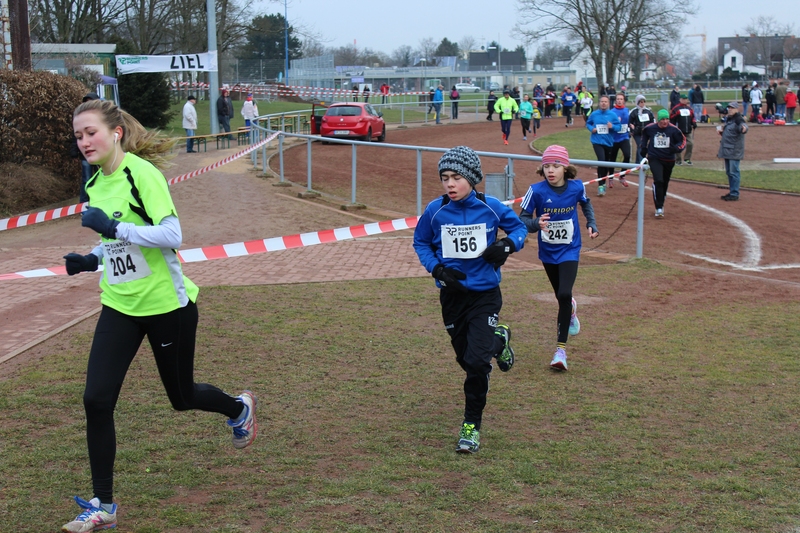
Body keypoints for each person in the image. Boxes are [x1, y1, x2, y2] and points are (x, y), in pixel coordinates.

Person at [62, 99, 257, 533]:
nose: (84, 142)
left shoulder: (142, 174)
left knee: (182, 397)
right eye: (78, 136)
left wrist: (112, 228)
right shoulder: (94, 180)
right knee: (96, 400)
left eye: (90, 132)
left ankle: (238, 408)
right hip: (119, 305)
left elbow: (171, 234)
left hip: (168, 307)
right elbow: (116, 242)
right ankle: (104, 506)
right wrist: (92, 258)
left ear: (115, 132)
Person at [412, 146, 527, 454]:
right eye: (445, 178)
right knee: (466, 360)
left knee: (477, 364)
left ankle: (471, 426)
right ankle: (499, 341)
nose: (450, 184)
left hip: (485, 296)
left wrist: (506, 246)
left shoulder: (491, 207)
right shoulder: (435, 211)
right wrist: (437, 269)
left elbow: (519, 229)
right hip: (452, 298)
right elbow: (420, 242)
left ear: (472, 178)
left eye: (457, 177)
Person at [519, 145, 598, 371]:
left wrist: (591, 223)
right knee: (561, 296)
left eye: (555, 166)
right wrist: (536, 223)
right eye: (546, 166)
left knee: (564, 293)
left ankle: (560, 352)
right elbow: (522, 219)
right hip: (548, 251)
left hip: (570, 249)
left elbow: (586, 203)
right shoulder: (536, 191)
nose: (550, 171)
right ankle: (570, 308)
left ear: (565, 168)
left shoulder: (576, 187)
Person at [639, 109, 686, 218]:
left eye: (667, 119)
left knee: (665, 182)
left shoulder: (674, 130)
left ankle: (661, 197)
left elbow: (682, 141)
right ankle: (659, 207)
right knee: (659, 180)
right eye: (662, 119)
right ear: (658, 120)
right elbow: (644, 136)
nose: (665, 121)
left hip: (669, 159)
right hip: (655, 158)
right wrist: (643, 147)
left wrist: (677, 148)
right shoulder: (650, 128)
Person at [585, 95, 620, 196]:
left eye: (605, 102)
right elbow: (588, 123)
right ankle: (600, 186)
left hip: (608, 142)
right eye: (602, 102)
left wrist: (612, 126)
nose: (603, 103)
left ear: (608, 103)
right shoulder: (594, 114)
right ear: (599, 103)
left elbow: (619, 127)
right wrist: (592, 129)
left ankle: (603, 183)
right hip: (597, 141)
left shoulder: (612, 115)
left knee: (606, 163)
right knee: (601, 160)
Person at [71, 92, 100, 203]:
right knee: (86, 180)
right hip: (85, 156)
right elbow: (75, 136)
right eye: (86, 102)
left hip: (100, 154)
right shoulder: (80, 118)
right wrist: (74, 152)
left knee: (102, 178)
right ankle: (83, 204)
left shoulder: (103, 117)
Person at [717, 102, 748, 202]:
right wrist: (723, 133)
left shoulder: (738, 119)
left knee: (734, 172)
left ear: (737, 109)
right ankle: (732, 191)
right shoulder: (730, 119)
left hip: (734, 150)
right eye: (729, 107)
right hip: (727, 150)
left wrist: (744, 129)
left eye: (732, 108)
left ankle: (734, 193)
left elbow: (743, 126)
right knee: (729, 172)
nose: (730, 109)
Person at [608, 93, 631, 187]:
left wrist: (631, 126)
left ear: (624, 100)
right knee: (612, 159)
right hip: (614, 139)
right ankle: (611, 178)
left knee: (627, 155)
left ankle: (622, 176)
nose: (619, 101)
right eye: (618, 99)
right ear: (615, 100)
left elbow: (629, 121)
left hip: (624, 137)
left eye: (621, 99)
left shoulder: (627, 110)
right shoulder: (612, 111)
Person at [669, 94, 696, 165]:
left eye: (686, 99)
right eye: (683, 99)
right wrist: (676, 115)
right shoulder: (676, 108)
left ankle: (687, 158)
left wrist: (694, 123)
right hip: (679, 130)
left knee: (690, 144)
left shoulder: (689, 109)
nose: (684, 100)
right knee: (678, 145)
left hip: (688, 130)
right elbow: (671, 118)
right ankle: (678, 160)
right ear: (680, 99)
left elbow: (693, 117)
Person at [628, 94, 655, 163]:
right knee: (640, 145)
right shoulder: (633, 112)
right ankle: (641, 162)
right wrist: (632, 129)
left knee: (642, 146)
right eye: (641, 102)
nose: (642, 103)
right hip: (636, 133)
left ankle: (637, 162)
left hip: (646, 133)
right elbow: (629, 122)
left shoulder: (648, 111)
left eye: (643, 102)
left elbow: (652, 121)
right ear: (637, 102)